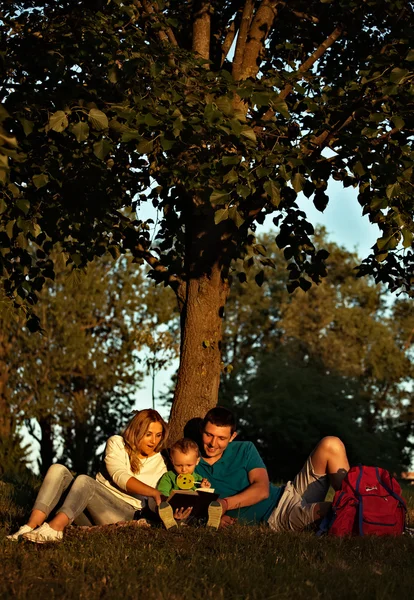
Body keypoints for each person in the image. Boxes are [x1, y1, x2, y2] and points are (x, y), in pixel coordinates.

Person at [7, 409, 168, 543]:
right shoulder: (117, 443)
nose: (153, 441)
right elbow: (119, 475)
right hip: (87, 507)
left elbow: (156, 502)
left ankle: (55, 529)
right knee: (58, 469)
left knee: (85, 481)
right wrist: (151, 491)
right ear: (137, 431)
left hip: (122, 513)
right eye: (148, 434)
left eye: (158, 435)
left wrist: (163, 502)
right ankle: (30, 527)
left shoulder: (160, 464)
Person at [195, 406, 350, 531]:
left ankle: (362, 502)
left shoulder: (245, 449)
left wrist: (224, 504)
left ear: (232, 437)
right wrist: (211, 517)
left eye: (221, 438)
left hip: (290, 493)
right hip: (278, 516)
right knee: (338, 510)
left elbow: (262, 490)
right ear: (202, 431)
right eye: (209, 435)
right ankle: (364, 517)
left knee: (331, 443)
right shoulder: (191, 465)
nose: (213, 443)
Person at [156, 438, 222, 530]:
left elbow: (203, 498)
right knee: (166, 509)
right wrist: (169, 505)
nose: (184, 470)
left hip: (194, 513)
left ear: (197, 461)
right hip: (176, 511)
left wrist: (204, 489)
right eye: (179, 465)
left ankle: (210, 522)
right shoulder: (169, 477)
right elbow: (162, 492)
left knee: (210, 506)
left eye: (189, 465)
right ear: (172, 461)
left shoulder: (199, 479)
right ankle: (172, 521)